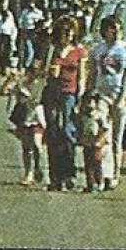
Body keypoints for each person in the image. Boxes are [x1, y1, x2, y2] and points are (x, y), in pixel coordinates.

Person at [86, 14, 126, 190]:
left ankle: (115, 174)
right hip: (102, 96)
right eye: (111, 29)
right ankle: (103, 174)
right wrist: (88, 94)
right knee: (102, 135)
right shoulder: (97, 50)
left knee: (116, 138)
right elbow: (92, 73)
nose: (115, 32)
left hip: (119, 96)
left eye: (118, 29)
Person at [41, 17, 89, 192]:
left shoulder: (79, 51)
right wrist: (50, 71)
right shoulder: (52, 49)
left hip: (69, 93)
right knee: (53, 132)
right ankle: (55, 177)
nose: (66, 36)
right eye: (62, 32)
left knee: (68, 132)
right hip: (52, 93)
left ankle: (69, 174)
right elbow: (43, 71)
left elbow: (82, 76)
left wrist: (80, 98)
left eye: (69, 32)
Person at [1, 61, 46, 187]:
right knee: (27, 147)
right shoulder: (20, 85)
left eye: (36, 72)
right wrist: (9, 80)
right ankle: (28, 173)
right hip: (24, 117)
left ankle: (37, 166)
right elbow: (4, 92)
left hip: (37, 116)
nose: (33, 74)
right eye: (31, 71)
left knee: (36, 145)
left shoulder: (41, 85)